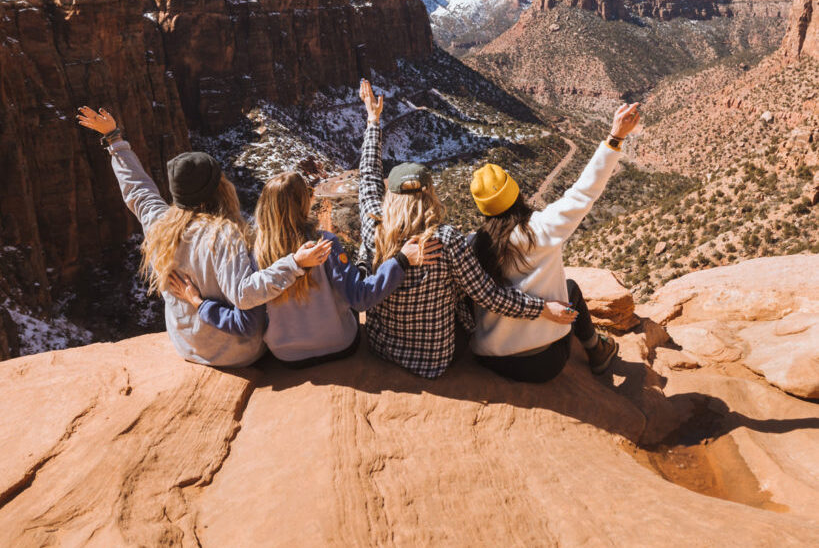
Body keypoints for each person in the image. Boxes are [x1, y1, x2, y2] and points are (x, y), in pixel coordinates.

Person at [76, 106, 330, 368]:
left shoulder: (158, 223)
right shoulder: (223, 235)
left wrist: (114, 140)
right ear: (220, 189)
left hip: (187, 346)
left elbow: (137, 189)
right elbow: (244, 294)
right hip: (236, 353)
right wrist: (295, 264)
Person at [356, 80, 561, 379]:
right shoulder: (446, 239)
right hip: (434, 360)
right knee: (466, 282)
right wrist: (542, 309)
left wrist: (373, 122)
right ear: (429, 195)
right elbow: (489, 296)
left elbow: (367, 178)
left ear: (391, 197)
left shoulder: (372, 225)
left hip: (382, 346)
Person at [168, 171, 442, 367]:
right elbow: (361, 298)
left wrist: (198, 303)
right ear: (302, 204)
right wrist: (401, 261)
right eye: (309, 194)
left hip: (288, 357)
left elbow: (247, 322)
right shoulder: (325, 244)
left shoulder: (255, 254)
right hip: (340, 346)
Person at [468, 103, 641, 383]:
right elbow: (584, 192)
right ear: (515, 193)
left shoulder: (474, 244)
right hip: (543, 363)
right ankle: (597, 350)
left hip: (489, 358)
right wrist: (615, 137)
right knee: (570, 288)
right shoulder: (542, 228)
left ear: (483, 208)